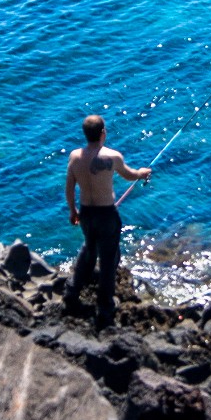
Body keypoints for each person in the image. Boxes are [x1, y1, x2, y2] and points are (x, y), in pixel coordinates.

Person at [64, 114, 152, 329]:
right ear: (103, 132)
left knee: (89, 248)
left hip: (86, 212)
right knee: (109, 258)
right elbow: (129, 174)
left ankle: (72, 291)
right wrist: (142, 173)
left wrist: (73, 211)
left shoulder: (75, 157)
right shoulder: (112, 157)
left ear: (85, 134)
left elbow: (69, 187)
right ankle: (104, 305)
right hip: (106, 214)